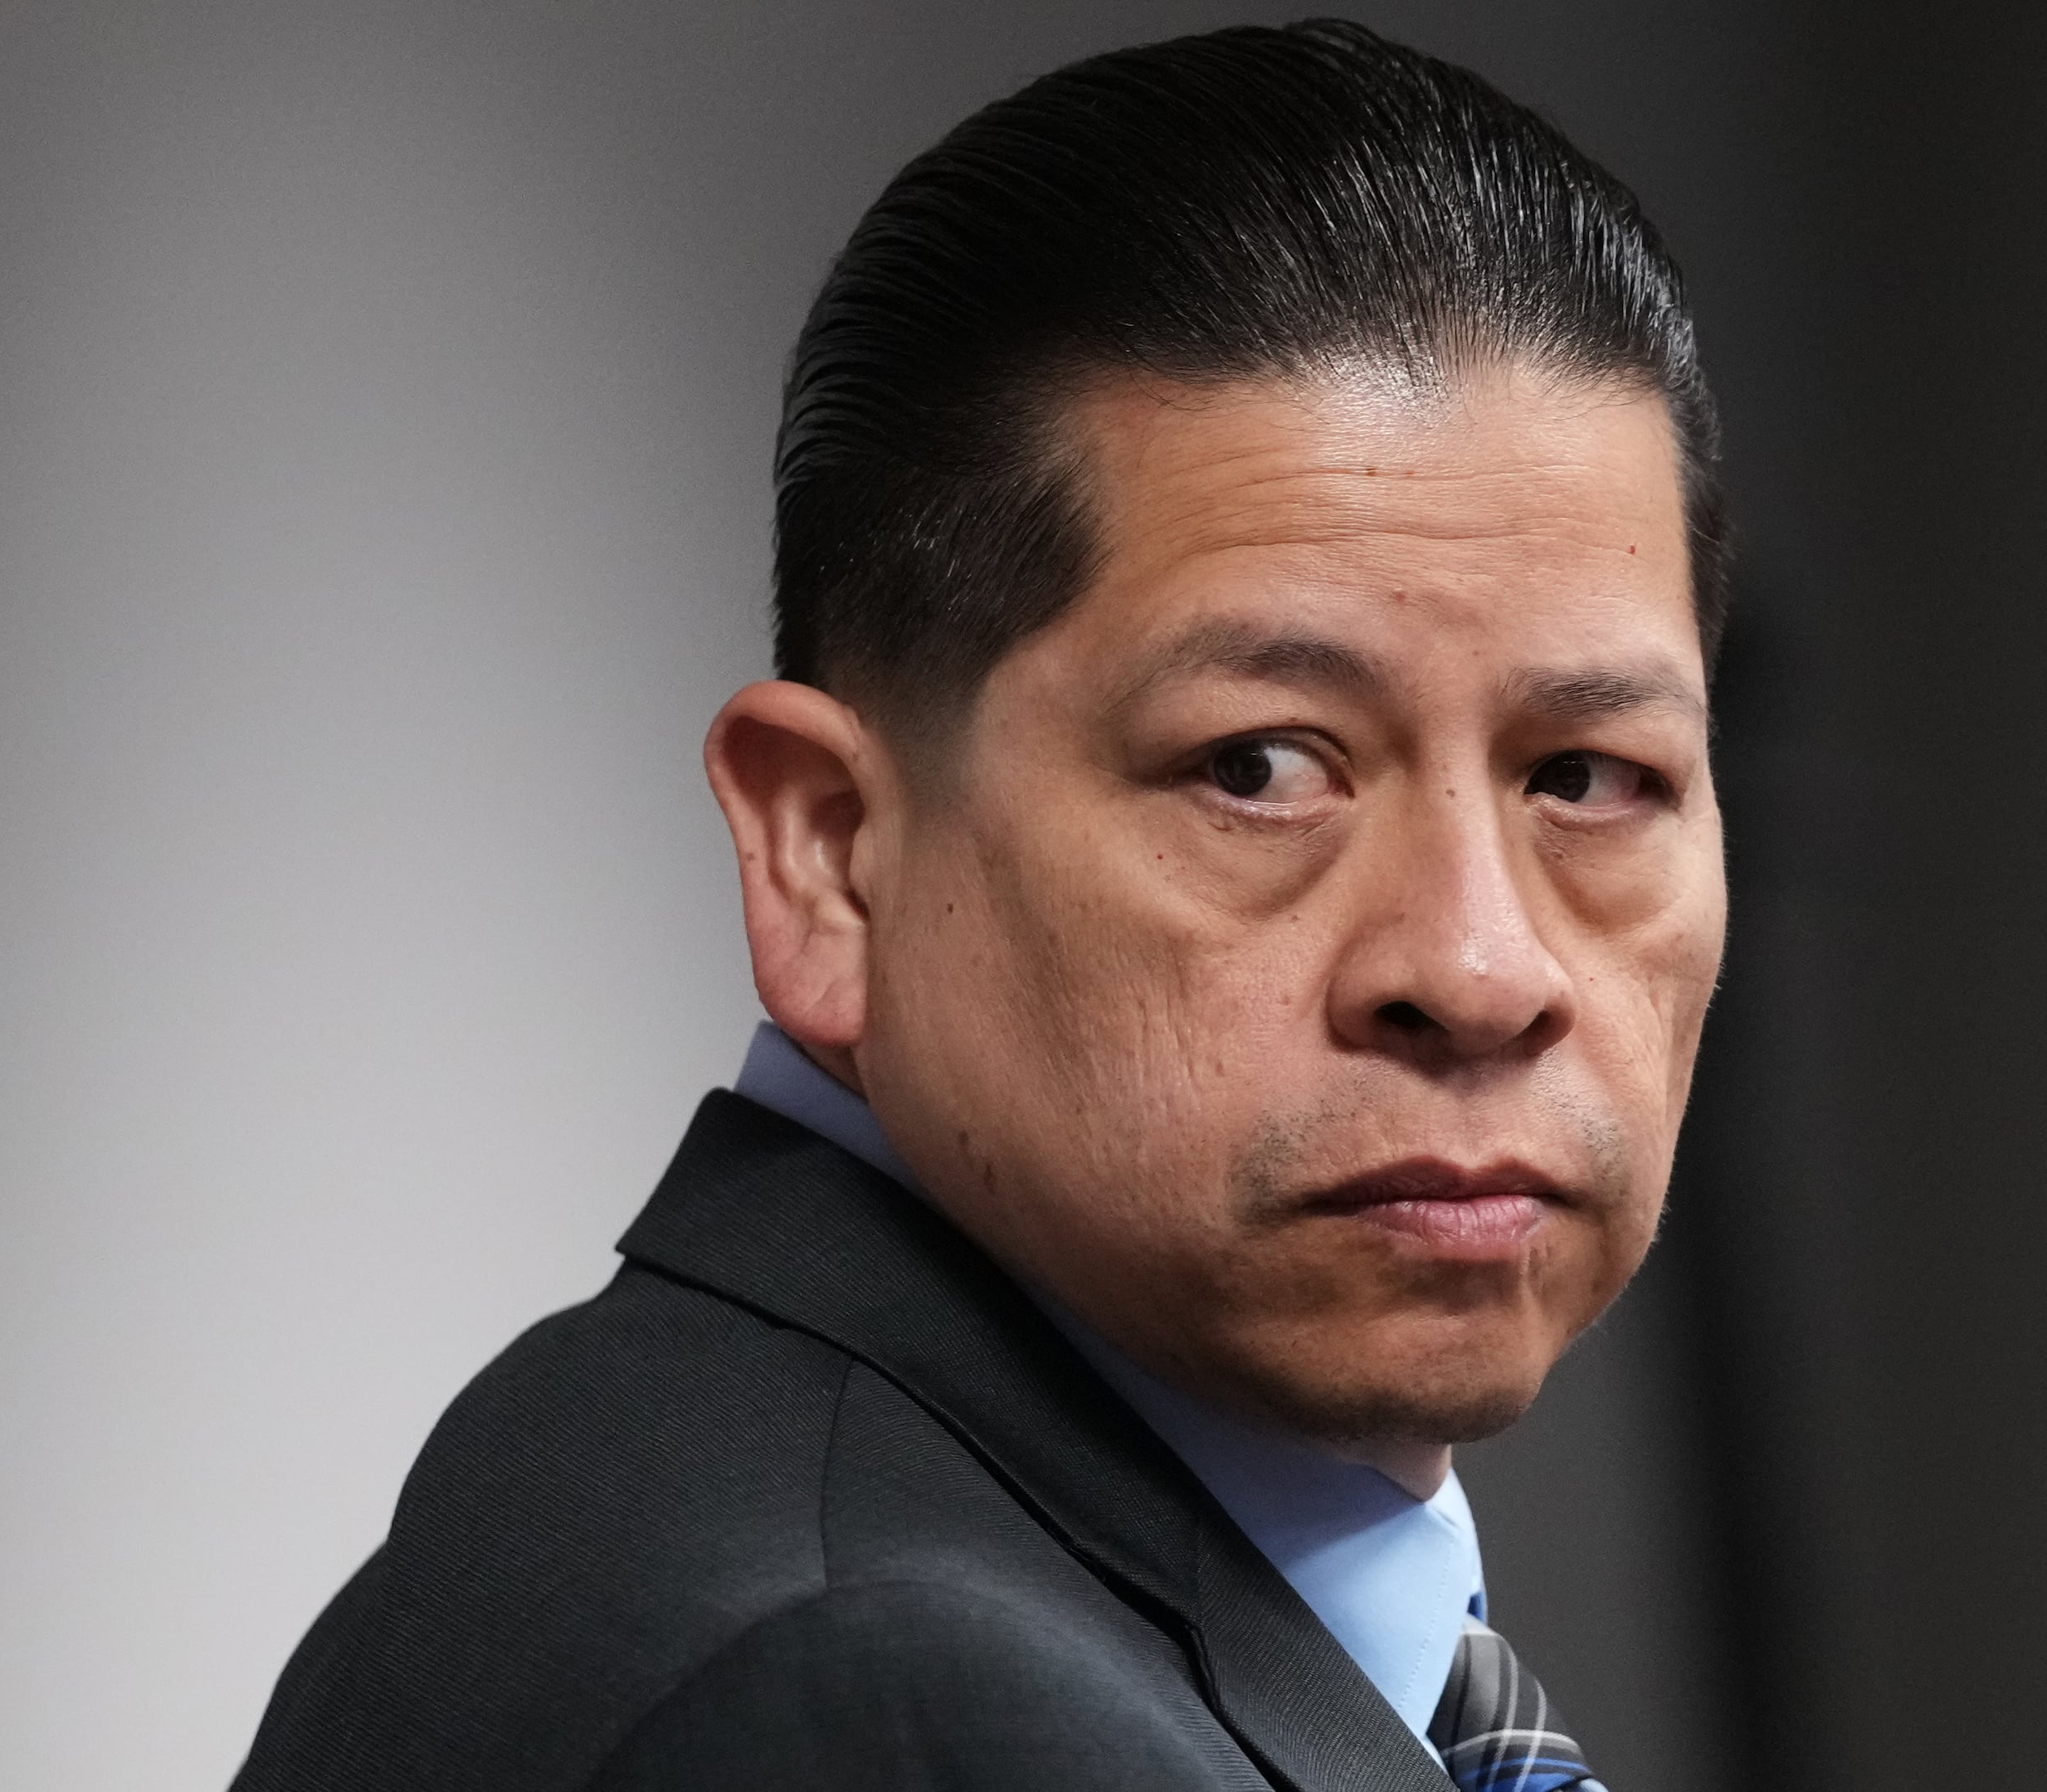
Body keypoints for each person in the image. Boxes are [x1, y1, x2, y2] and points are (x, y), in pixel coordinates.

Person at [232, 19, 1728, 1791]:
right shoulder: (889, 1717)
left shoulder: (734, 1485)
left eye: (1588, 778)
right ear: (831, 854)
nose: (1481, 968)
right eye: (1260, 765)